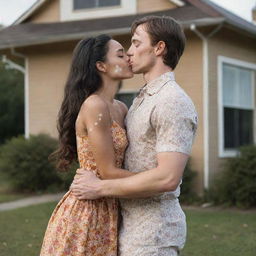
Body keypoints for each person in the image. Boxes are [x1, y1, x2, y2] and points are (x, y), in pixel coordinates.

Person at [71, 16, 198, 256]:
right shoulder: (140, 100)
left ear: (159, 48)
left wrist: (100, 187)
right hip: (126, 226)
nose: (129, 52)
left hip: (154, 234)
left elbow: (167, 179)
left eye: (136, 43)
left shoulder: (172, 101)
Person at [40, 34, 134, 256]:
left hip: (110, 205)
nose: (129, 56)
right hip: (88, 211)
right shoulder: (94, 105)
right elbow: (108, 171)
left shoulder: (120, 107)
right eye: (121, 54)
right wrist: (159, 177)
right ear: (101, 65)